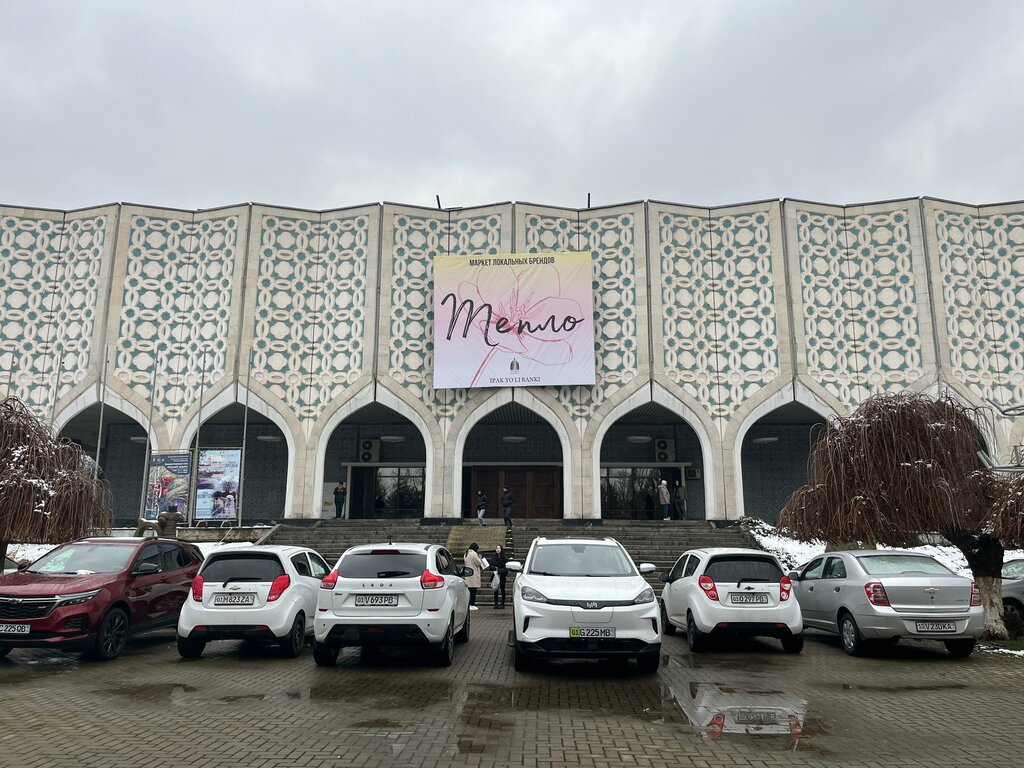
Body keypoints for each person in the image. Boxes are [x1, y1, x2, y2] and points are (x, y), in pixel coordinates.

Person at [464, 543, 484, 611]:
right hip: (473, 573)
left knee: (469, 590)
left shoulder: (466, 553)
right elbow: (478, 563)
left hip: (468, 573)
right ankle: (472, 604)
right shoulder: (474, 554)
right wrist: (480, 558)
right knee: (473, 590)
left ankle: (469, 603)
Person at [490, 544, 508, 609]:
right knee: (495, 589)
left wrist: (499, 571)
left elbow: (506, 568)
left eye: (499, 548)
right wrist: (494, 568)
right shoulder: (493, 557)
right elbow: (490, 566)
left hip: (502, 575)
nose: (498, 549)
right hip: (495, 575)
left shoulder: (505, 558)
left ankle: (502, 603)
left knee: (502, 589)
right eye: (497, 548)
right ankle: (496, 603)